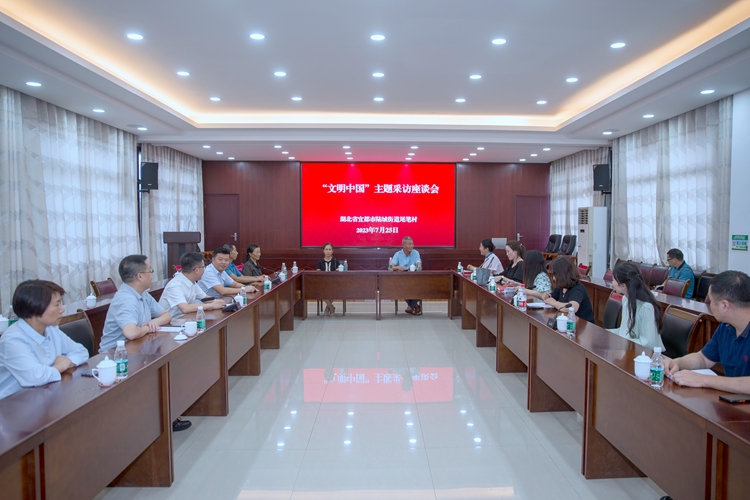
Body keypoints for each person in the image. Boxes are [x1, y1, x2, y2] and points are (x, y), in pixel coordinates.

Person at [0, 280, 89, 399]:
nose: (62, 309)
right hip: (14, 404)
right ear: (35, 307)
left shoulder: (51, 329)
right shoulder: (13, 340)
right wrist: (59, 367)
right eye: (57, 304)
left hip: (45, 395)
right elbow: (36, 377)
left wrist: (66, 362)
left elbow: (81, 351)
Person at [665, 271, 750, 392]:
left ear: (725, 306)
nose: (709, 305)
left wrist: (703, 380)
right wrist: (677, 363)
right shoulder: (726, 326)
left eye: (711, 301)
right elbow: (703, 358)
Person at [100, 255, 172, 352]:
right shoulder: (126, 299)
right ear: (140, 276)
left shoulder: (143, 294)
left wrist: (152, 323)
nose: (152, 275)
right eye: (150, 271)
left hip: (135, 347)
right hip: (115, 355)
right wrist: (147, 328)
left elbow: (166, 315)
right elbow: (131, 333)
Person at [608, 262, 664, 350]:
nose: (612, 282)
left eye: (613, 280)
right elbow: (624, 331)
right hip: (629, 349)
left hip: (644, 354)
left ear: (623, 286)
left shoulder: (646, 307)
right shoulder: (626, 299)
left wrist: (622, 343)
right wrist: (607, 333)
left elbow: (648, 343)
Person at [159, 252, 226, 320]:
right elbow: (185, 308)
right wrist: (211, 306)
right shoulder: (175, 285)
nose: (205, 269)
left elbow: (205, 298)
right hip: (171, 322)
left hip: (185, 319)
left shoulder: (191, 281)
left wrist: (219, 303)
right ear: (196, 270)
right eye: (203, 267)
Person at [542, 256, 595, 323]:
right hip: (568, 322)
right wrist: (546, 296)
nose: (554, 278)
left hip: (582, 325)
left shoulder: (577, 288)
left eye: (555, 275)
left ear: (563, 275)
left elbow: (573, 308)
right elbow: (551, 297)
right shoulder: (562, 286)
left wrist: (554, 303)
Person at [391, 236, 422, 315]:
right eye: (409, 244)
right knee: (402, 287)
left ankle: (410, 307)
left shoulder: (416, 253)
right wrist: (398, 267)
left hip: (414, 280)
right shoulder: (398, 254)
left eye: (412, 244)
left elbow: (419, 267)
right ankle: (413, 306)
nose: (411, 246)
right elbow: (390, 267)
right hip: (402, 280)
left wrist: (417, 267)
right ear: (403, 245)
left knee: (421, 286)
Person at [317, 242, 341, 316]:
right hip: (322, 283)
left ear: (332, 251)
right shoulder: (320, 262)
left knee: (335, 289)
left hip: (334, 283)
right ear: (323, 251)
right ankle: (331, 307)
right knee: (322, 290)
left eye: (329, 249)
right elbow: (317, 275)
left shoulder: (336, 262)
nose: (328, 251)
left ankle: (328, 307)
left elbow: (339, 275)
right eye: (326, 249)